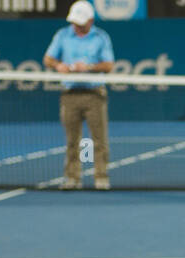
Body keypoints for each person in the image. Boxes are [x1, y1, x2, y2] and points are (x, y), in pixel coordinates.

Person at [44, 1, 115, 189]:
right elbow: (48, 58)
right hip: (70, 94)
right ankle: (72, 178)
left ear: (90, 21)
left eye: (80, 22)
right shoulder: (62, 35)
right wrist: (59, 65)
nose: (76, 25)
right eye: (74, 22)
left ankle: (101, 177)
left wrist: (89, 67)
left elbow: (108, 65)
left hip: (94, 94)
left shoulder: (101, 37)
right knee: (72, 141)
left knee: (98, 140)